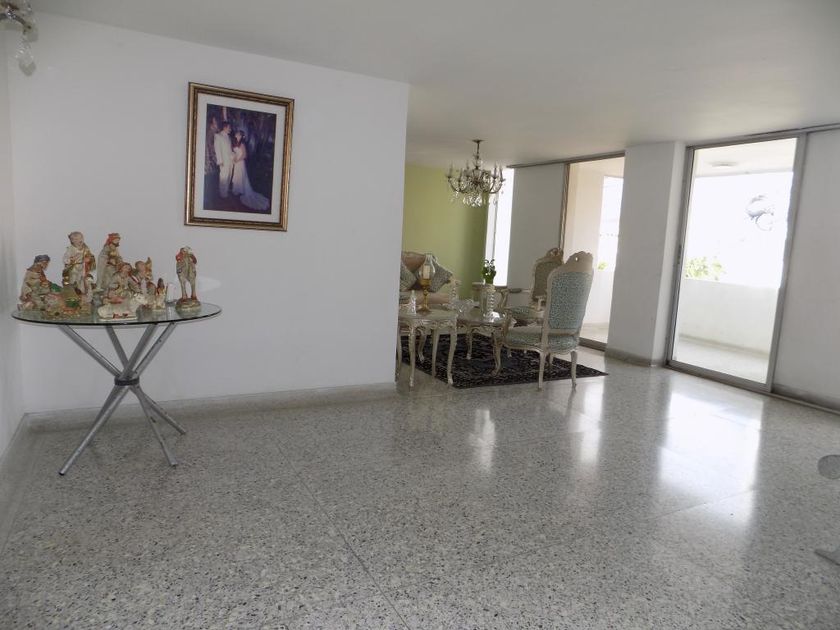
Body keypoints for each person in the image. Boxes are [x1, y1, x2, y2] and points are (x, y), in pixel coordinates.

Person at [231, 130, 270, 211]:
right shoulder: (235, 143)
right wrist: (234, 158)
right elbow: (235, 153)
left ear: (241, 136)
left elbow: (245, 155)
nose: (236, 134)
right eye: (236, 134)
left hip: (240, 162)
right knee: (237, 176)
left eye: (238, 134)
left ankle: (242, 190)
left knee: (241, 176)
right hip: (237, 163)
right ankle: (238, 189)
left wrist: (237, 160)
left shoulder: (242, 144)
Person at [62, 231, 96, 297]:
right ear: (72, 241)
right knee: (73, 280)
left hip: (83, 267)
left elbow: (90, 255)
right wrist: (71, 260)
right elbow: (65, 259)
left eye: (81, 238)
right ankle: (73, 293)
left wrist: (89, 259)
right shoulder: (70, 249)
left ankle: (82, 293)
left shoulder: (85, 248)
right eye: (77, 239)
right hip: (74, 268)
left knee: (82, 280)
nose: (80, 240)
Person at [214, 121, 234, 198]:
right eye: (229, 128)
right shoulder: (218, 136)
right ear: (224, 127)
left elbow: (229, 149)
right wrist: (220, 161)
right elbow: (217, 149)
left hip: (230, 161)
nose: (230, 129)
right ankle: (222, 194)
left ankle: (226, 191)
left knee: (229, 176)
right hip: (224, 161)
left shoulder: (228, 137)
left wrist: (233, 156)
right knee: (224, 177)